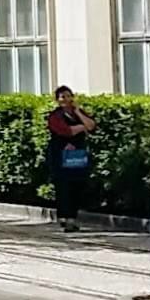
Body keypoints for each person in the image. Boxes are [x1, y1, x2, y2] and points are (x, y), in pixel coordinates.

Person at [47, 85, 99, 232]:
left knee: (77, 185)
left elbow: (92, 125)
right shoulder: (55, 116)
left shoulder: (79, 113)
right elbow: (67, 131)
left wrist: (78, 113)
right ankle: (65, 217)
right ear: (57, 100)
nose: (66, 99)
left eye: (68, 96)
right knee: (63, 186)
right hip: (60, 155)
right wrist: (82, 128)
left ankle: (72, 217)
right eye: (62, 97)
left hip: (77, 155)